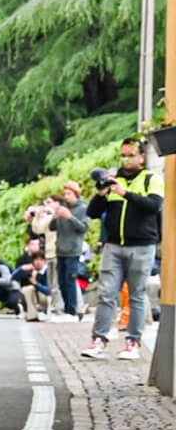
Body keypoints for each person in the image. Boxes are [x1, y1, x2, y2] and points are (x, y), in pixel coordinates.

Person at [81, 135, 163, 360]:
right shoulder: (112, 178)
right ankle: (99, 339)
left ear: (141, 157)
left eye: (131, 155)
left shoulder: (150, 179)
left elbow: (154, 205)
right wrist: (101, 192)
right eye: (123, 155)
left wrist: (126, 193)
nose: (126, 160)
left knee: (137, 295)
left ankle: (133, 343)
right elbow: (93, 213)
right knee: (106, 293)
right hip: (114, 245)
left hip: (142, 245)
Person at [49, 184, 90, 319]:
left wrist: (70, 217)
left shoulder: (83, 208)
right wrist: (55, 217)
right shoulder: (62, 208)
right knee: (61, 281)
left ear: (76, 194)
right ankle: (66, 308)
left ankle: (72, 310)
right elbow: (52, 227)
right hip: (60, 249)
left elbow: (83, 227)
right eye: (65, 193)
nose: (66, 196)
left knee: (70, 280)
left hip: (73, 250)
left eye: (69, 194)